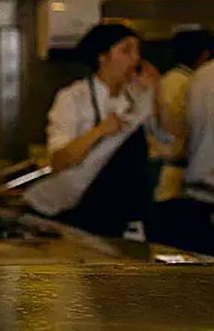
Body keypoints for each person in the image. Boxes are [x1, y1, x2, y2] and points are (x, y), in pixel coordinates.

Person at [24, 23, 167, 239]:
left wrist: (157, 92)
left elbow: (168, 137)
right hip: (75, 211)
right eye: (127, 50)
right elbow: (60, 160)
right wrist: (99, 131)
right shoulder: (73, 98)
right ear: (103, 57)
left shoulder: (137, 97)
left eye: (138, 51)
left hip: (122, 214)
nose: (136, 58)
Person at [153, 29, 214, 202]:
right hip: (174, 178)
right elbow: (179, 133)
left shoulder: (170, 80)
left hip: (176, 177)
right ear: (204, 55)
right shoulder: (187, 82)